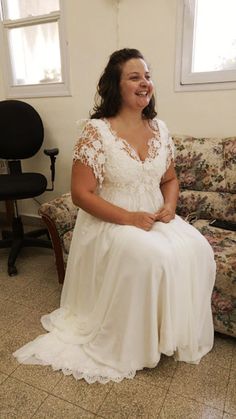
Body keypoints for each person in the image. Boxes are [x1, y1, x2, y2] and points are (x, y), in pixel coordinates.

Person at [13, 48, 216, 384]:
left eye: (148, 76)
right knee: (152, 258)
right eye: (135, 77)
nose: (145, 83)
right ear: (115, 85)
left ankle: (169, 334)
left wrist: (169, 206)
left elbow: (170, 179)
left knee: (198, 249)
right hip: (110, 219)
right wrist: (128, 218)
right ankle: (139, 342)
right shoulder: (95, 132)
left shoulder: (159, 129)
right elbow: (81, 195)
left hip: (154, 215)